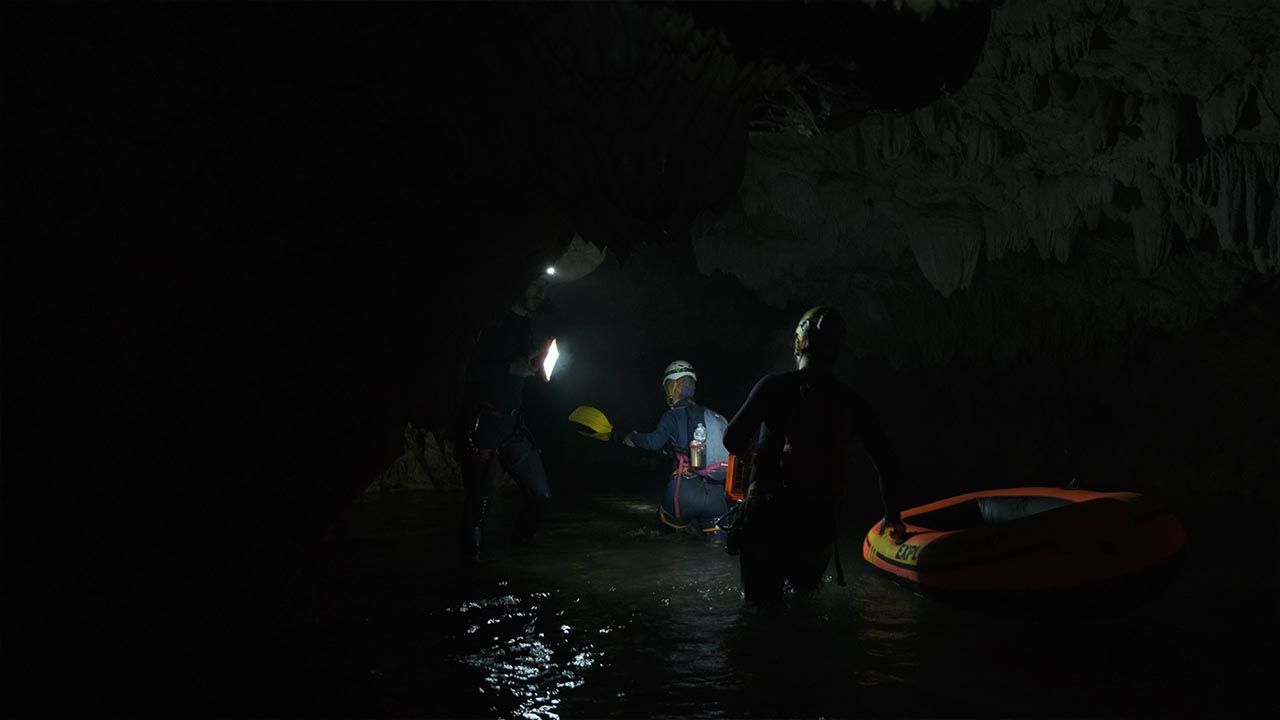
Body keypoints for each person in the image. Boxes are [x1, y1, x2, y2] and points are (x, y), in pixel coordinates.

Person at [723, 305, 907, 608]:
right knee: (803, 610)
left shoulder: (774, 386)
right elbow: (886, 461)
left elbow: (732, 438)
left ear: (799, 341)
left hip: (768, 518)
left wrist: (753, 454)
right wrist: (892, 516)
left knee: (759, 614)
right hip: (817, 522)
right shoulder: (851, 401)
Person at [457, 272, 554, 563]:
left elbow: (518, 369)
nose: (541, 293)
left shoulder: (527, 325)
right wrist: (508, 369)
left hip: (512, 423)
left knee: (541, 495)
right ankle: (470, 567)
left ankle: (521, 555)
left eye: (544, 288)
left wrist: (537, 366)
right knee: (480, 505)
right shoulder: (492, 324)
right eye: (536, 286)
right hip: (484, 423)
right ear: (519, 285)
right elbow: (467, 373)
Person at [622, 360, 729, 533]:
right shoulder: (711, 415)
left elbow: (653, 442)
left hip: (683, 493)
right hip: (716, 495)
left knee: (671, 543)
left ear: (673, 386)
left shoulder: (672, 416)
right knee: (717, 548)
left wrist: (633, 437)